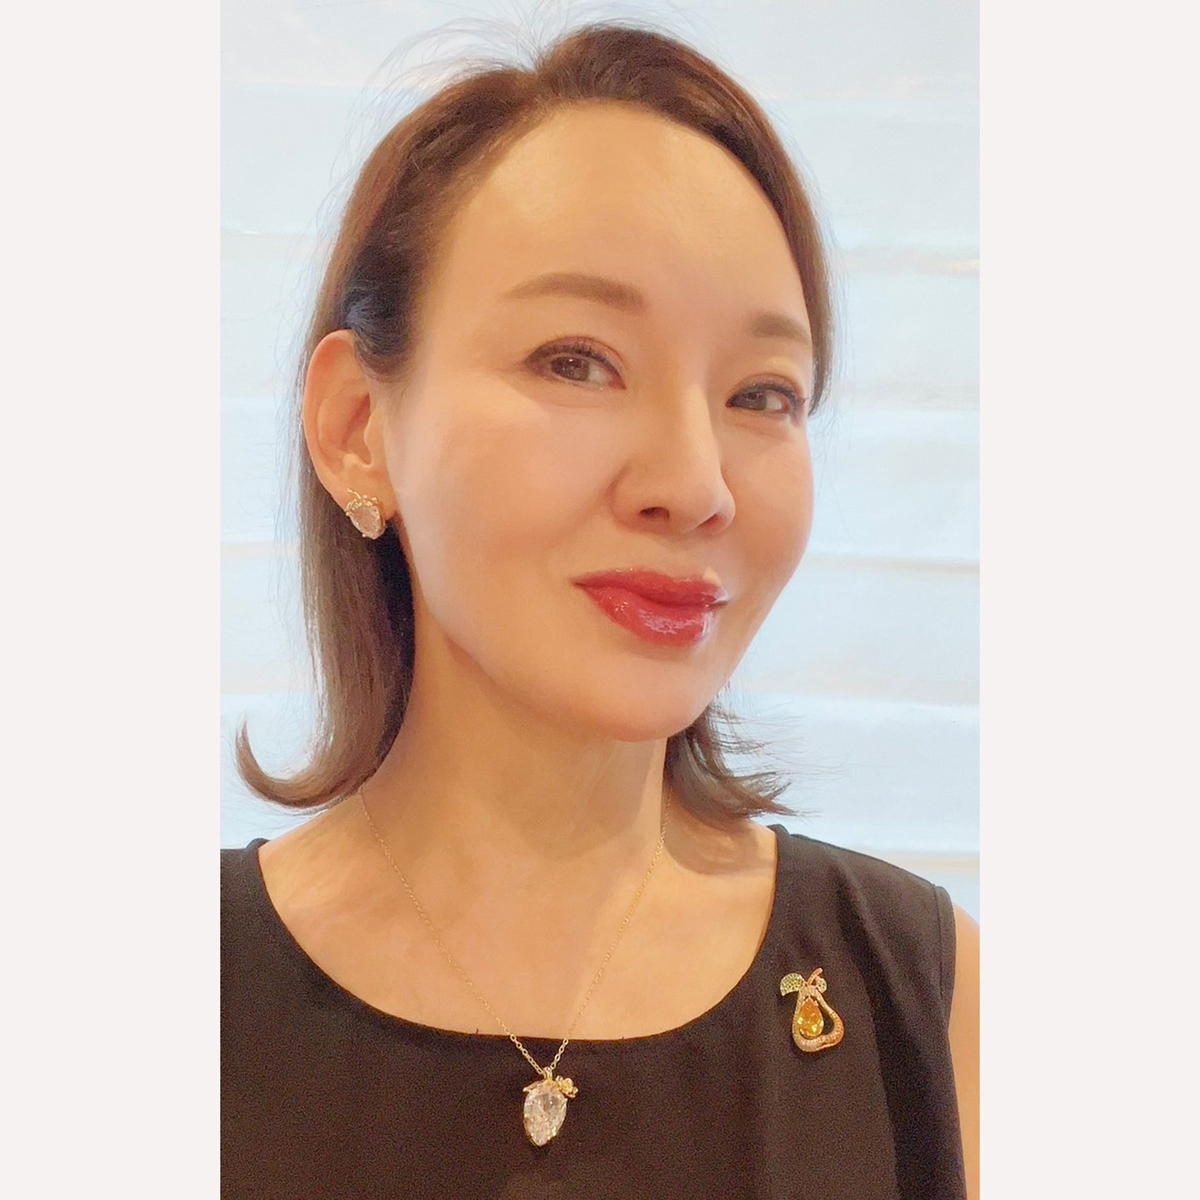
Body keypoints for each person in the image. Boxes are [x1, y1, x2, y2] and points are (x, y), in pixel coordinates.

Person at [222, 20, 979, 1199]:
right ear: (357, 427)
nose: (695, 484)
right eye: (577, 360)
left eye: (762, 394)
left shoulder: (923, 999)